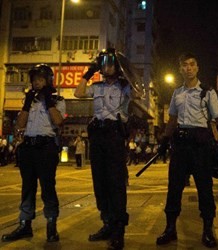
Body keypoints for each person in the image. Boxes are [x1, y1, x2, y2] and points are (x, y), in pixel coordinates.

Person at [155, 52, 218, 248]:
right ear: (180, 69)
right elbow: (172, 120)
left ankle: (208, 230)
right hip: (181, 146)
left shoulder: (208, 91)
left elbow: (215, 119)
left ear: (197, 68)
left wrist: (217, 145)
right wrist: (165, 140)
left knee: (205, 189)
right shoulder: (177, 93)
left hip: (201, 145)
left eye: (192, 64)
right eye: (184, 65)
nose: (188, 68)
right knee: (174, 188)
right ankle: (170, 228)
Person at [74, 48, 131, 249]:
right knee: (100, 182)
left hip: (115, 136)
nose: (106, 67)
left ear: (116, 67)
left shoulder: (125, 87)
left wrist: (126, 72)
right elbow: (78, 92)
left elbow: (140, 93)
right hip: (97, 136)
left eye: (110, 63)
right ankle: (106, 223)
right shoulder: (96, 86)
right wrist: (89, 73)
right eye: (103, 63)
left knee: (116, 183)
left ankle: (118, 230)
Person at [1, 64, 65, 243]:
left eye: (40, 79)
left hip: (46, 148)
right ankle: (24, 225)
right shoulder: (30, 102)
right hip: (28, 147)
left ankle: (51, 226)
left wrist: (48, 101)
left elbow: (59, 121)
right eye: (34, 79)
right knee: (27, 187)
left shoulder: (58, 99)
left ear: (48, 81)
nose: (37, 83)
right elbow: (20, 125)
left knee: (47, 188)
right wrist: (28, 103)